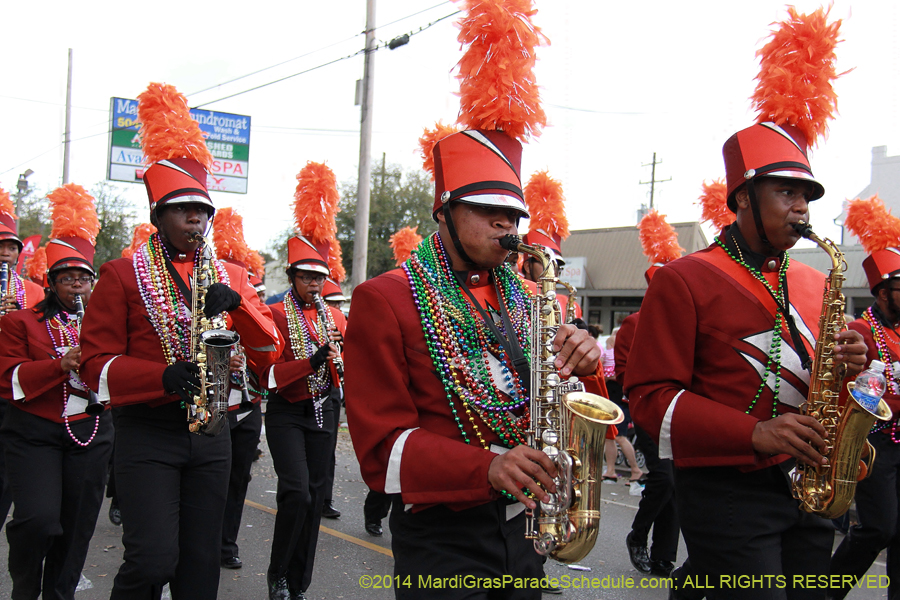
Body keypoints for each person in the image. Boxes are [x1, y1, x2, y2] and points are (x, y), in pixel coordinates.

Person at [345, 125, 608, 599]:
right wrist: (484, 467)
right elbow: (380, 446)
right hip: (442, 539)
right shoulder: (384, 298)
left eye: (512, 215)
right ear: (443, 211)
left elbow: (561, 405)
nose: (506, 227)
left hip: (526, 527)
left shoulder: (531, 298)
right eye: (488, 211)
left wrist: (584, 366)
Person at [80, 82, 282, 600]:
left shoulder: (232, 276)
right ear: (158, 217)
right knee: (151, 560)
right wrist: (159, 376)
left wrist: (238, 305)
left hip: (213, 432)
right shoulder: (122, 274)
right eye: (183, 209)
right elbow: (93, 363)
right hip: (148, 432)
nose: (197, 218)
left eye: (203, 210)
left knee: (198, 569)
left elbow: (269, 352)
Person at [0, 184, 113, 600]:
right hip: (34, 431)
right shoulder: (21, 323)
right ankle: (24, 589)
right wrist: (60, 363)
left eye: (83, 278)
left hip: (91, 431)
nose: (77, 286)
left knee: (77, 526)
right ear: (51, 283)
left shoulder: (106, 323)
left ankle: (59, 593)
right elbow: (9, 378)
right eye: (67, 278)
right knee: (38, 521)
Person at [261, 161, 346, 600]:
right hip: (288, 411)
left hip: (325, 409)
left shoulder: (336, 317)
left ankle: (299, 581)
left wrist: (342, 362)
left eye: (319, 277)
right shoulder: (275, 313)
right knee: (295, 492)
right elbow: (269, 376)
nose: (314, 283)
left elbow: (350, 363)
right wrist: (314, 359)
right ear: (293, 277)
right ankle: (277, 572)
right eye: (306, 276)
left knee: (315, 498)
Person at [828, 196, 900, 599]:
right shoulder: (860, 327)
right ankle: (826, 588)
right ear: (883, 290)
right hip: (874, 441)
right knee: (878, 527)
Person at [620, 210, 684, 580]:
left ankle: (664, 557)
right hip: (650, 411)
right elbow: (627, 372)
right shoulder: (634, 323)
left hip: (681, 414)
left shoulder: (689, 324)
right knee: (665, 479)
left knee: (676, 486)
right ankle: (637, 534)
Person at [212, 207, 267, 571]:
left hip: (247, 405)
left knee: (238, 478)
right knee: (209, 480)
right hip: (214, 405)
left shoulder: (259, 310)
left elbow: (268, 351)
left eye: (253, 288)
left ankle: (226, 543)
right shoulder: (206, 300)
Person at [0, 185, 46, 527]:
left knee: (5, 472)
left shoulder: (33, 291)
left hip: (10, 389)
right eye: (0, 246)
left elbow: (44, 337)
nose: (5, 253)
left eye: (10, 247)